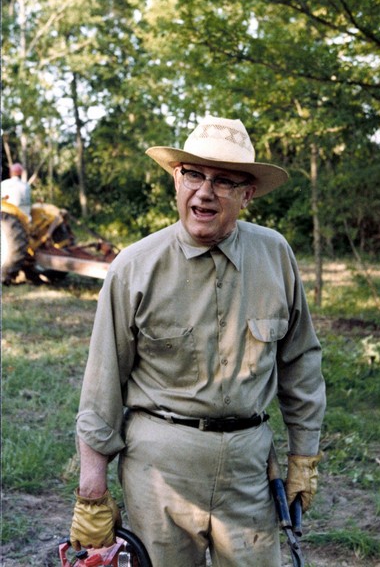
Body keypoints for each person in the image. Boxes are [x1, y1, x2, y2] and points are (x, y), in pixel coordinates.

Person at [70, 115, 326, 567]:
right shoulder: (134, 267)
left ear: (248, 194)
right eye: (193, 175)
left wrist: (304, 457)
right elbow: (101, 385)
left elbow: (301, 361)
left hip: (249, 475)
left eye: (223, 181)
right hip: (159, 477)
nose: (204, 192)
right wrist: (92, 492)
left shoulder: (276, 255)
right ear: (176, 179)